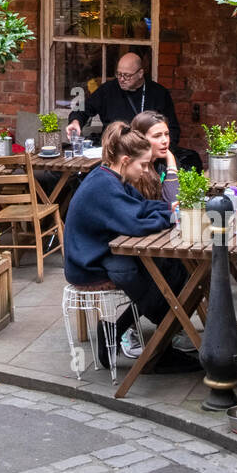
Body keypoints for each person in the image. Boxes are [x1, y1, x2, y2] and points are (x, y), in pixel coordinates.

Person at [63, 120, 200, 373]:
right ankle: (161, 348)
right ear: (126, 160)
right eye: (143, 165)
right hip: (87, 264)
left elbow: (141, 207)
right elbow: (134, 223)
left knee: (173, 269)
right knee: (148, 274)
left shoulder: (112, 176)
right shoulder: (104, 185)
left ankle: (122, 332)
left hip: (101, 253)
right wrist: (172, 217)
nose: (146, 170)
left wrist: (171, 210)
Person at [65, 53, 201, 171]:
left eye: (127, 75)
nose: (121, 79)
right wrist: (75, 121)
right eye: (119, 74)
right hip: (116, 152)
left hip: (148, 153)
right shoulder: (108, 90)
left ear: (140, 73)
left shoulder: (158, 93)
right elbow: (81, 108)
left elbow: (173, 130)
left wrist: (158, 153)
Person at [130, 110, 179, 207]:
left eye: (167, 134)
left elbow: (175, 203)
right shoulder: (135, 169)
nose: (165, 140)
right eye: (157, 136)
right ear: (141, 138)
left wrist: (171, 160)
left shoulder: (163, 161)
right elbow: (171, 204)